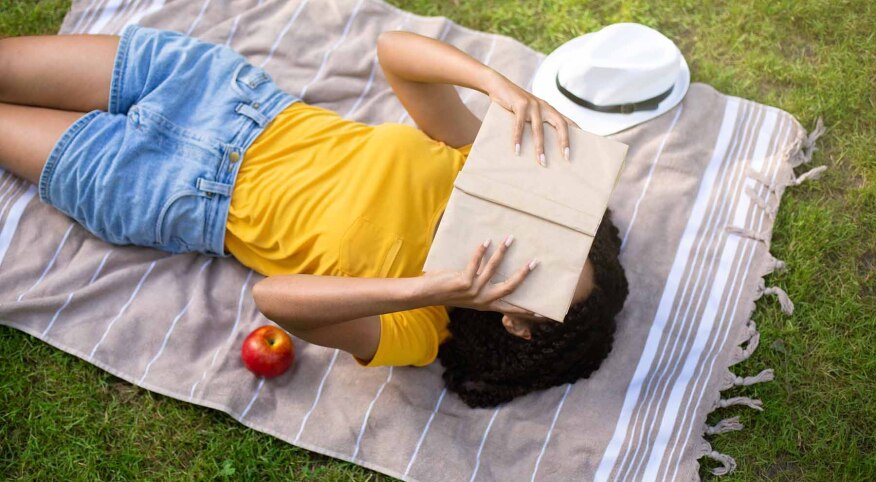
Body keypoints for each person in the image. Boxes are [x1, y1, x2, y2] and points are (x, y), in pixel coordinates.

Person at [0, 25, 625, 403]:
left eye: (537, 284)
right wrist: (497, 87)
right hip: (225, 97)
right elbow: (394, 51)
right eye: (552, 248)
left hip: (162, 189)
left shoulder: (417, 325)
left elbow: (277, 300)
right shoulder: (474, 173)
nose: (525, 257)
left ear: (520, 325)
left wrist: (438, 285)